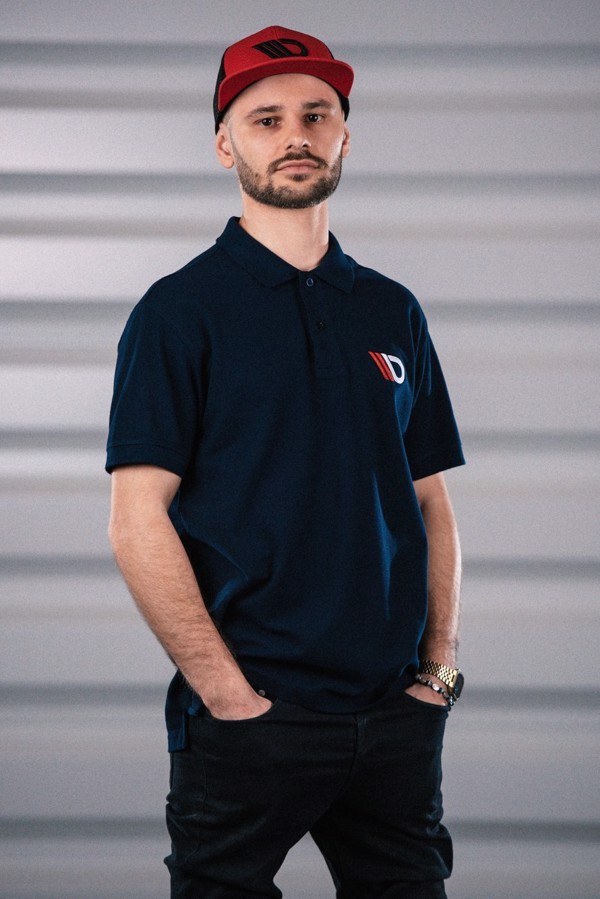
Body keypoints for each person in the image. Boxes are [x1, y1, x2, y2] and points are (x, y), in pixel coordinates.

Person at [107, 24, 465, 899]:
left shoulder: (392, 310)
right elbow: (136, 519)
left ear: (345, 136)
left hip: (394, 720)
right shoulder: (179, 311)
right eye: (265, 119)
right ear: (225, 145)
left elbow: (429, 502)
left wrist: (438, 673)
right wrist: (229, 696)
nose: (295, 135)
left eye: (316, 114)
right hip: (249, 722)